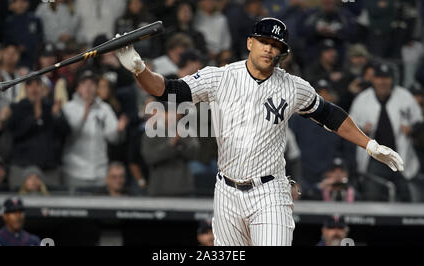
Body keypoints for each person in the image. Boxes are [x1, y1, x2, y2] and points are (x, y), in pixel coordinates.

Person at [116, 17, 404, 246]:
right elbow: (168, 91)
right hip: (226, 191)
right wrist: (138, 68)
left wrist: (370, 145)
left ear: (281, 52)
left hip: (269, 191)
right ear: (250, 42)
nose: (269, 48)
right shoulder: (221, 77)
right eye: (264, 41)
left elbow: (330, 114)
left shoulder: (293, 86)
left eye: (275, 45)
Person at [350, 63, 423, 202]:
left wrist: (412, 129)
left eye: (386, 78)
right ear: (373, 79)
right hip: (374, 159)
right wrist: (361, 130)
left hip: (400, 157)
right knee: (372, 199)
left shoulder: (405, 97)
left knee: (407, 199)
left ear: (392, 80)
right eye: (379, 78)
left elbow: (419, 122)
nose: (383, 82)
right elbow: (349, 128)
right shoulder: (362, 100)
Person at [62, 70, 127, 192]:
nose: (88, 88)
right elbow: (69, 134)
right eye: (84, 84)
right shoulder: (68, 108)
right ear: (77, 88)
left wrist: (118, 130)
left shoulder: (104, 108)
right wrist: (84, 115)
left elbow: (113, 138)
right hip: (74, 171)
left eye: (92, 85)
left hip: (99, 171)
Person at [7, 76, 70, 191]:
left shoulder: (51, 107)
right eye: (30, 85)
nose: (34, 89)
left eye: (37, 85)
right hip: (22, 168)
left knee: (52, 207)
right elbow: (14, 133)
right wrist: (34, 118)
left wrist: (57, 116)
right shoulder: (17, 108)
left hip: (49, 169)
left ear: (43, 88)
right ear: (26, 88)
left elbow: (66, 131)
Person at [2, 0, 44, 69]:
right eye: (18, 2)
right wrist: (17, 47)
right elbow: (7, 40)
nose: (21, 4)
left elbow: (40, 37)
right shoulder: (9, 21)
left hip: (35, 56)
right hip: (18, 58)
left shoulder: (35, 19)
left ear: (27, 3)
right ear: (13, 5)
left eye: (23, 2)